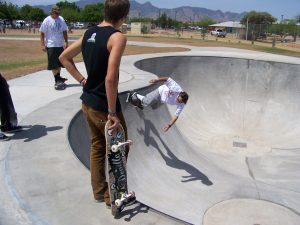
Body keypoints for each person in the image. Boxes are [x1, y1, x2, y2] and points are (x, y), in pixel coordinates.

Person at [59, 0, 130, 207]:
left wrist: (82, 80)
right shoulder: (118, 38)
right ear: (124, 16)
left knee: (98, 146)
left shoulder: (89, 32)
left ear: (105, 11)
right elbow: (111, 79)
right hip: (103, 106)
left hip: (87, 102)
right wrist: (112, 112)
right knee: (119, 150)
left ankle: (99, 192)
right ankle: (112, 195)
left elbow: (64, 57)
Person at [39, 5, 68, 88]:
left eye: (58, 13)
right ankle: (57, 80)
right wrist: (42, 44)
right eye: (56, 13)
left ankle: (59, 78)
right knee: (53, 64)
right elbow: (42, 33)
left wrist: (66, 41)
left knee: (59, 62)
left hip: (60, 44)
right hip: (51, 45)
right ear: (52, 12)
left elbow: (64, 31)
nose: (57, 14)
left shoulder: (61, 19)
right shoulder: (47, 20)